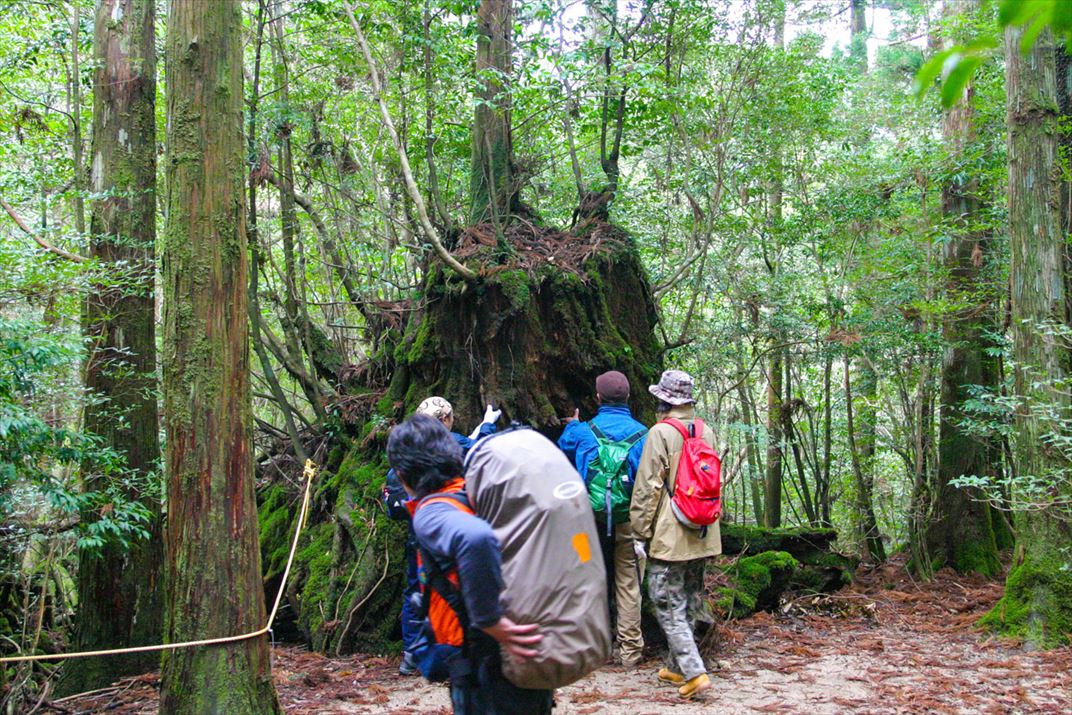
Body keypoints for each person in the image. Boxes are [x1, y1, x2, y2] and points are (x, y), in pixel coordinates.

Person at [387, 414, 551, 714]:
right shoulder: (476, 492)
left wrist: (490, 621)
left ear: (402, 476)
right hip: (526, 655)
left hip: (486, 669)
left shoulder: (434, 510)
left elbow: (475, 538)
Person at [385, 396, 501, 675]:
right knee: (454, 586)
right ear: (446, 420)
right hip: (451, 534)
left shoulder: (407, 454)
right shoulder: (453, 445)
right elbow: (476, 449)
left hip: (418, 536)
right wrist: (487, 427)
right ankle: (458, 644)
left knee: (416, 589)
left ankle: (413, 652)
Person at [630, 369, 720, 700]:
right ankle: (676, 665)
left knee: (665, 599)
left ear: (663, 401)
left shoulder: (661, 433)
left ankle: (695, 673)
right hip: (703, 529)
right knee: (692, 598)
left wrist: (639, 532)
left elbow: (648, 488)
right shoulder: (705, 430)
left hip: (671, 533)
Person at [558, 370, 648, 667]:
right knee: (628, 579)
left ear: (597, 398)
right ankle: (631, 650)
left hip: (587, 523)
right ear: (629, 397)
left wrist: (572, 425)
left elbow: (560, 453)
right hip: (627, 520)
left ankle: (587, 647)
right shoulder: (644, 435)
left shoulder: (582, 431)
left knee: (584, 574)